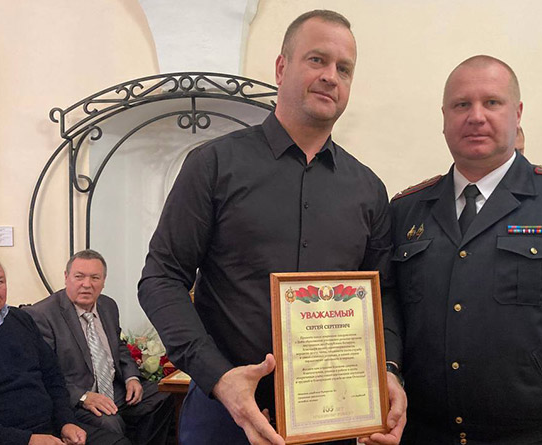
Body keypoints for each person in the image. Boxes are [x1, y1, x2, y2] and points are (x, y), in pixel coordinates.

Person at [138, 9, 405, 445]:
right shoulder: (213, 165)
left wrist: (388, 371)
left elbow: (383, 295)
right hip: (224, 414)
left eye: (344, 69)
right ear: (281, 68)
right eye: (317, 60)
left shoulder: (368, 189)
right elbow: (160, 278)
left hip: (334, 419)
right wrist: (218, 376)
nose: (331, 76)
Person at [383, 55, 542, 444]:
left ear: (517, 113)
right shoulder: (407, 210)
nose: (476, 116)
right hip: (426, 434)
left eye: (492, 102)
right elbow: (392, 315)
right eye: (461, 104)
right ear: (444, 118)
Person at [0, 253, 129, 445]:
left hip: (51, 428)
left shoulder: (20, 319)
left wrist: (66, 422)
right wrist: (28, 440)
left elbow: (53, 378)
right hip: (6, 438)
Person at [25, 250, 173, 445]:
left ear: (103, 281)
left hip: (114, 389)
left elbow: (119, 347)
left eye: (95, 278)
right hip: (76, 397)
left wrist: (131, 377)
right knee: (109, 423)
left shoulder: (108, 305)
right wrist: (83, 397)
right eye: (79, 277)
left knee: (165, 394)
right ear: (66, 277)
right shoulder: (42, 315)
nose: (87, 284)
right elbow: (46, 373)